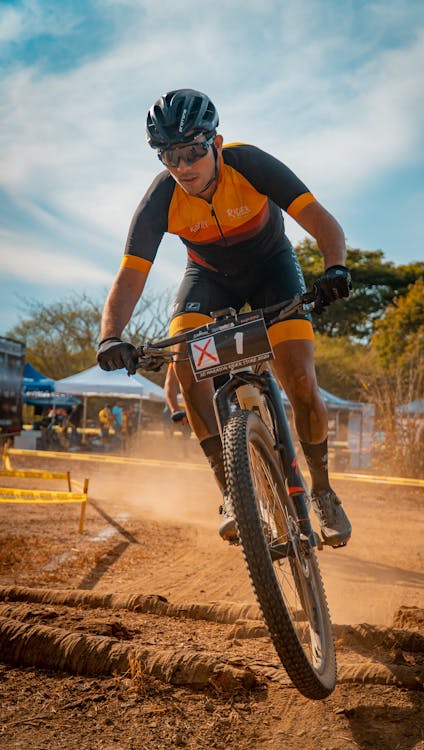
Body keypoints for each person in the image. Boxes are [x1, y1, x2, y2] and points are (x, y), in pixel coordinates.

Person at [97, 88, 352, 547]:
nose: (183, 166)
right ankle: (232, 493)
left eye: (193, 150)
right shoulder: (161, 199)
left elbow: (321, 221)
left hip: (273, 270)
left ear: (215, 142)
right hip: (209, 279)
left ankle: (324, 491)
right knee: (185, 365)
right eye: (170, 155)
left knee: (300, 380)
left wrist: (334, 266)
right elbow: (130, 277)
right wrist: (110, 337)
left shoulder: (249, 163)